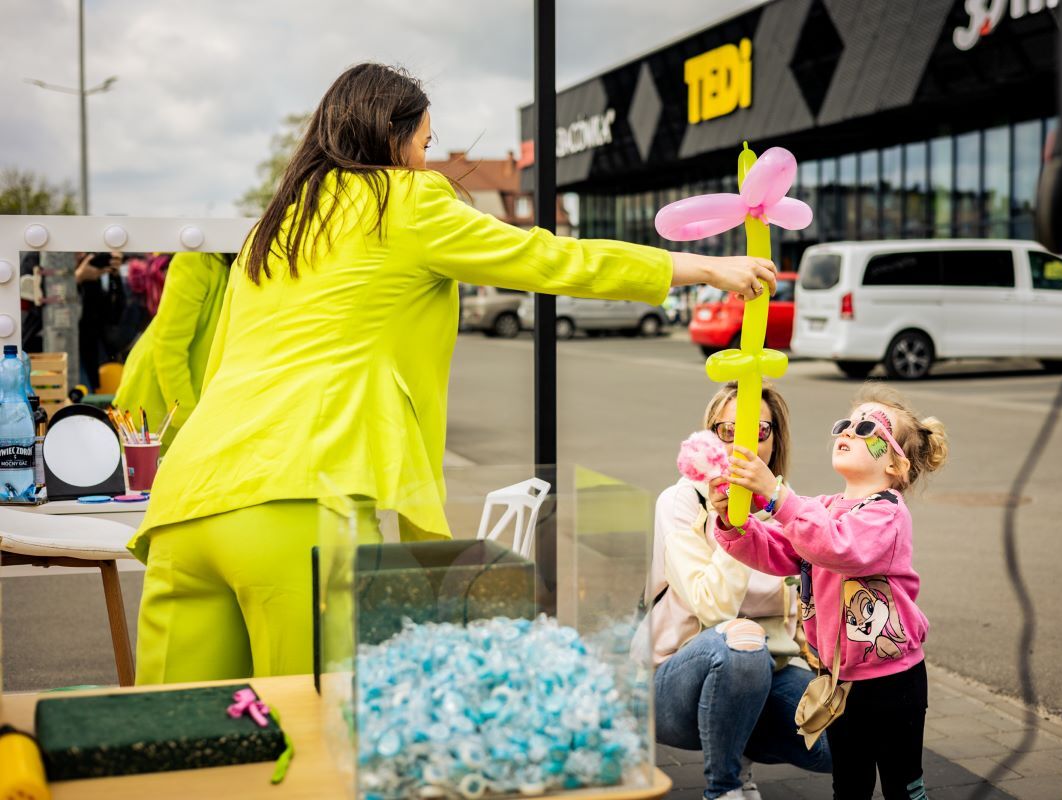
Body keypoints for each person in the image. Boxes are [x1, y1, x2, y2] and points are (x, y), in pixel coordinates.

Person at [130, 62, 778, 685]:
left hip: (186, 506)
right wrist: (700, 269)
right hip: (299, 501)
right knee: (315, 752)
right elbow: (547, 257)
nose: (427, 159)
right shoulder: (402, 200)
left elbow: (220, 366)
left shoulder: (275, 227)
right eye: (425, 142)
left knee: (174, 751)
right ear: (392, 136)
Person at [710, 384, 947, 800]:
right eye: (847, 424)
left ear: (896, 465)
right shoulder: (824, 507)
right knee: (849, 785)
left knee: (901, 784)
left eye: (868, 427)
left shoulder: (886, 513)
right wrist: (733, 521)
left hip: (894, 681)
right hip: (837, 677)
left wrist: (778, 495)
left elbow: (840, 547)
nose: (849, 431)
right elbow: (782, 548)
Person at [648, 382, 831, 800]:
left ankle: (736, 736)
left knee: (843, 742)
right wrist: (731, 519)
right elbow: (714, 608)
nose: (741, 445)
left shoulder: (784, 510)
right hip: (675, 685)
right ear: (708, 438)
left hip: (768, 676)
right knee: (742, 641)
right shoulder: (679, 503)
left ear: (774, 440)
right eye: (727, 431)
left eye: (758, 432)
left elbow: (800, 613)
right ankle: (725, 787)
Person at [113, 252, 232, 450]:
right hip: (158, 408)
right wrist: (188, 418)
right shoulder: (197, 261)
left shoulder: (242, 264)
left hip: (196, 412)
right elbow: (169, 345)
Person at [75, 250, 126, 390]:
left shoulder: (93, 278)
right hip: (57, 349)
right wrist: (78, 277)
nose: (82, 255)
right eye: (76, 252)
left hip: (89, 351)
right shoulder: (43, 262)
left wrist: (114, 277)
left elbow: (113, 315)